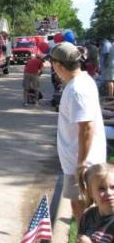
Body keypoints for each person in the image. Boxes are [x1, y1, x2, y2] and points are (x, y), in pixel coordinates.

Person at [50, 42, 107, 224]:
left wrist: (81, 163)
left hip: (83, 163)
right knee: (85, 207)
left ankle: (87, 236)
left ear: (59, 65)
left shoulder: (77, 90)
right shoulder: (83, 80)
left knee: (81, 208)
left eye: (52, 64)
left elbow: (86, 128)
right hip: (80, 161)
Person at [77, 163, 114, 242]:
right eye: (101, 188)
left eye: (113, 187)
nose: (109, 193)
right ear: (90, 193)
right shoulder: (88, 216)